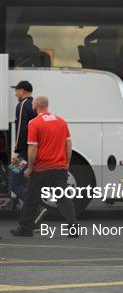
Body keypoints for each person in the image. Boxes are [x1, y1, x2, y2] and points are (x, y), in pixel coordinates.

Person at [10, 96, 78, 237]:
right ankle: (73, 228)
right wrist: (66, 164)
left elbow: (33, 148)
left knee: (31, 198)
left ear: (36, 105)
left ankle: (25, 229)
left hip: (41, 169)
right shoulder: (61, 121)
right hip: (59, 168)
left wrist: (29, 168)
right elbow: (69, 145)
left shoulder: (34, 123)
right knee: (63, 198)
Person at [9, 81, 36, 204]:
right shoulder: (34, 104)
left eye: (17, 90)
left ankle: (36, 207)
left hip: (23, 152)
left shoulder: (22, 105)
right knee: (25, 182)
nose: (15, 94)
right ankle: (29, 216)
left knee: (13, 183)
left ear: (23, 91)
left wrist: (16, 152)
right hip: (32, 150)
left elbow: (21, 129)